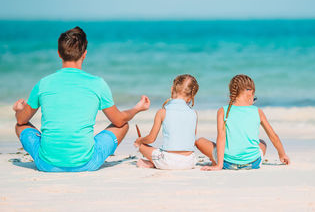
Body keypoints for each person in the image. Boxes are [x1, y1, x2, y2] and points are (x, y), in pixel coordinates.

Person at [13, 26, 150, 172]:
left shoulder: (43, 83)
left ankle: (52, 156)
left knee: (20, 126)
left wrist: (18, 110)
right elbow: (119, 120)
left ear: (59, 54)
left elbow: (21, 120)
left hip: (46, 165)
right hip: (87, 163)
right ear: (84, 54)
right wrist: (137, 109)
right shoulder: (97, 84)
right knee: (123, 125)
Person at [196, 74, 290, 171]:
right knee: (262, 143)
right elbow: (273, 136)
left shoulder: (223, 111)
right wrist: (282, 154)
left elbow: (221, 138)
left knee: (200, 141)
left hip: (227, 163)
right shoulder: (258, 111)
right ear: (251, 93)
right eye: (254, 98)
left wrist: (219, 165)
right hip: (253, 163)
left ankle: (215, 160)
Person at [134, 74, 199, 170]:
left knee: (141, 146)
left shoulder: (162, 112)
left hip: (168, 161)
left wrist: (140, 140)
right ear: (191, 96)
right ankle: (154, 163)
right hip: (189, 162)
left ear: (172, 89)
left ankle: (153, 163)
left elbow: (151, 139)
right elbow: (192, 141)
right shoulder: (194, 113)